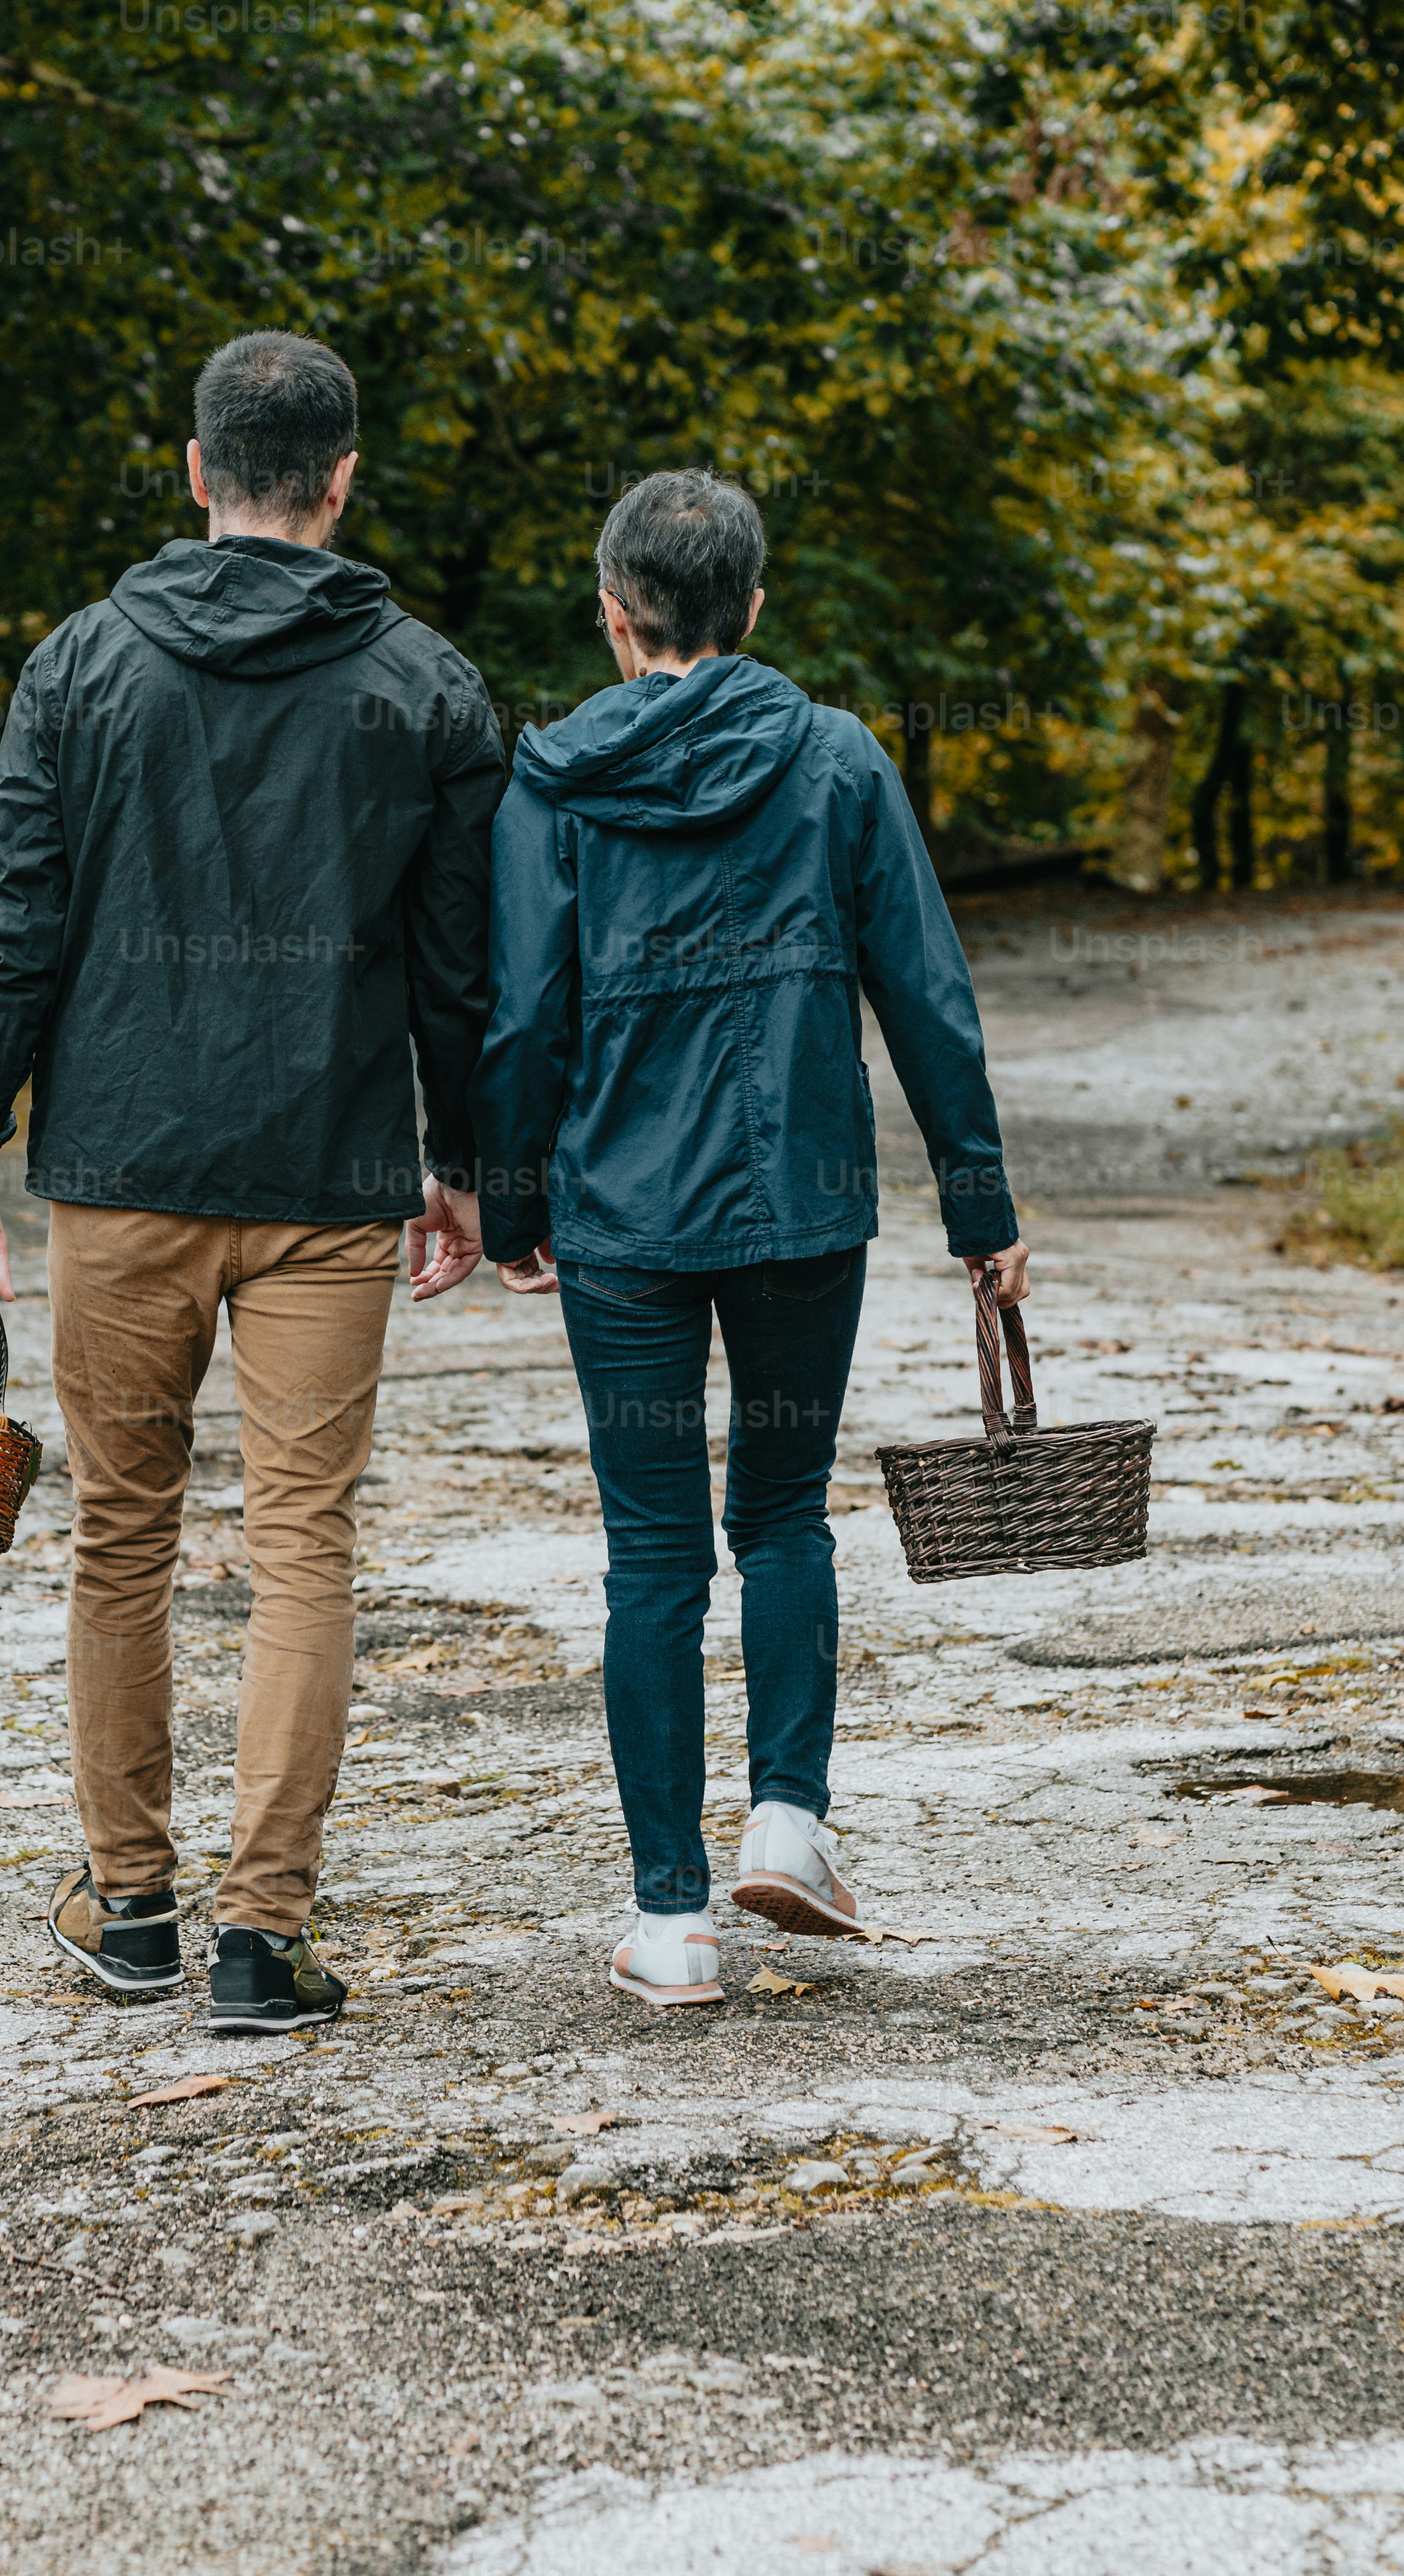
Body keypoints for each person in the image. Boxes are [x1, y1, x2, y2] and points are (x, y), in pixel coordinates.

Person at [0, 331, 501, 2036]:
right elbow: (463, 964)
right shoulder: (428, 687)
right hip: (326, 1178)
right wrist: (465, 1167)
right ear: (342, 479)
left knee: (122, 1537)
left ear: (194, 469)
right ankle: (264, 1938)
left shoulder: (80, 667)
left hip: (122, 1171)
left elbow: (15, 918)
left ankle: (132, 1904)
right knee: (306, 1544)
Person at [476, 470, 1024, 2008]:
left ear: (611, 608)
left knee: (650, 1551)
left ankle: (671, 1919)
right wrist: (981, 1212)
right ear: (755, 605)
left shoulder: (554, 784)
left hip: (627, 1221)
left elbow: (521, 1016)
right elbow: (928, 991)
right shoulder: (837, 760)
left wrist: (512, 1202)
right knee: (781, 1516)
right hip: (798, 1205)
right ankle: (789, 1818)